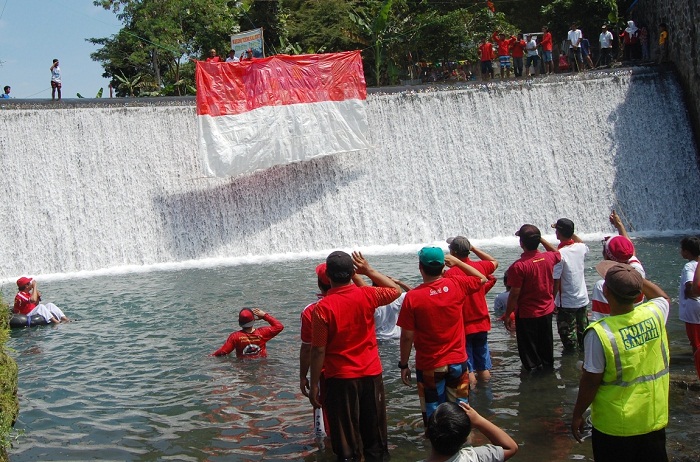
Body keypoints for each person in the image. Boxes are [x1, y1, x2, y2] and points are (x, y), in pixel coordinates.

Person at [571, 262, 671, 462]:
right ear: (638, 293)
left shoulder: (600, 333)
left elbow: (591, 381)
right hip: (652, 418)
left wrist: (577, 414)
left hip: (615, 426)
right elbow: (662, 297)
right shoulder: (655, 313)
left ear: (605, 292)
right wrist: (634, 278)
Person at [309, 251, 401, 461]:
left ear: (328, 277)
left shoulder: (322, 308)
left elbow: (318, 350)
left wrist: (314, 384)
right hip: (371, 374)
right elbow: (394, 290)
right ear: (352, 273)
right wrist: (368, 270)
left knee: (345, 437)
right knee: (374, 432)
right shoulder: (367, 295)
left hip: (340, 379)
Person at [397, 247, 488, 425]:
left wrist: (404, 364)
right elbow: (481, 278)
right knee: (461, 410)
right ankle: (464, 444)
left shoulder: (413, 297)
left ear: (420, 267)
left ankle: (436, 446)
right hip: (457, 362)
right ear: (443, 267)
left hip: (430, 364)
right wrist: (460, 262)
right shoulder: (456, 284)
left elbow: (407, 337)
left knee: (433, 412)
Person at [504, 224, 561, 370]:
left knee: (530, 357)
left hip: (527, 314)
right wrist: (540, 239)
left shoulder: (518, 267)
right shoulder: (549, 257)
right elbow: (557, 253)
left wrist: (507, 314)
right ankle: (548, 379)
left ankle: (534, 385)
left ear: (521, 243)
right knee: (547, 351)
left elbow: (514, 293)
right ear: (538, 241)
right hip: (547, 311)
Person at [444, 236, 498, 384]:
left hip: (464, 325)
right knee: (483, 366)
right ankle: (487, 397)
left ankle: (471, 400)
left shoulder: (450, 274)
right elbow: (495, 262)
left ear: (453, 252)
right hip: (481, 322)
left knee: (469, 369)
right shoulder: (480, 267)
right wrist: (473, 248)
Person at [540, 219, 589, 352]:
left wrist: (551, 300)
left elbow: (556, 281)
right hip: (583, 300)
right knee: (584, 337)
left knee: (569, 342)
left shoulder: (560, 255)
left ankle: (571, 368)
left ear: (558, 233)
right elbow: (580, 242)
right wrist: (569, 232)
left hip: (566, 303)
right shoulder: (581, 248)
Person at [591, 210, 646, 321]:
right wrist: (619, 225)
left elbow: (600, 319)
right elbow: (630, 250)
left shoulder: (603, 285)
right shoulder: (637, 271)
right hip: (637, 321)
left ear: (606, 256)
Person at [426, 402, 518, 462]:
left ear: (427, 434)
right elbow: (511, 448)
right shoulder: (475, 457)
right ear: (465, 439)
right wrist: (479, 421)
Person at [211, 307, 283, 357]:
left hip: (243, 368)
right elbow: (279, 326)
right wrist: (265, 316)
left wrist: (211, 356)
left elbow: (223, 352)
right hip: (261, 365)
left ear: (239, 322)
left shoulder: (235, 337)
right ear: (254, 320)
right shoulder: (262, 333)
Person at [678, 236, 700, 380]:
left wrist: (690, 293)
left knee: (695, 342)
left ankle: (697, 367)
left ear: (686, 252)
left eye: (682, 250)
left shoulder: (690, 266)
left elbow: (689, 286)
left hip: (694, 311)